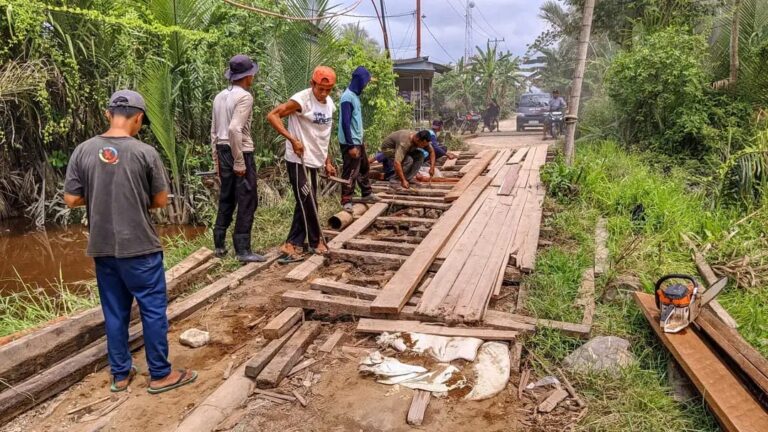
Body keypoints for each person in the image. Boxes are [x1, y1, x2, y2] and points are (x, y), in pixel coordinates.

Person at [64, 90, 197, 394]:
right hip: (140, 247)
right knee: (151, 309)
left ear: (108, 114)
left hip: (103, 247)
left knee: (114, 312)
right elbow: (161, 200)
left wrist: (100, 196)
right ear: (138, 118)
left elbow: (71, 199)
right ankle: (160, 374)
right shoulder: (145, 153)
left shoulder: (83, 151)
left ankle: (120, 374)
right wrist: (133, 198)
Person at [266, 66, 338, 263]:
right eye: (320, 89)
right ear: (312, 84)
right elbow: (272, 115)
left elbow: (324, 134)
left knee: (306, 199)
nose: (323, 93)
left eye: (328, 89)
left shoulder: (329, 104)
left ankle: (292, 243)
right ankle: (313, 242)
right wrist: (292, 140)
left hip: (315, 160)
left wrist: (327, 160)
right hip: (298, 159)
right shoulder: (301, 100)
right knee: (307, 200)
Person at [210, 54, 265, 263]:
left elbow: (214, 131)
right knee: (247, 199)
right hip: (239, 149)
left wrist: (216, 159)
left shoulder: (219, 96)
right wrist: (240, 161)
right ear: (248, 76)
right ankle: (243, 249)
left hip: (222, 148)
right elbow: (235, 128)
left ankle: (219, 244)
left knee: (227, 196)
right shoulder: (245, 97)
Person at [338, 66, 380, 211]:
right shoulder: (347, 97)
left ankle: (366, 193)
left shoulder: (354, 96)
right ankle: (346, 200)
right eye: (366, 82)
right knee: (351, 172)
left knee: (364, 168)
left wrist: (360, 141)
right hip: (350, 143)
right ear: (360, 81)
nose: (366, 85)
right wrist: (350, 146)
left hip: (357, 141)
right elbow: (345, 122)